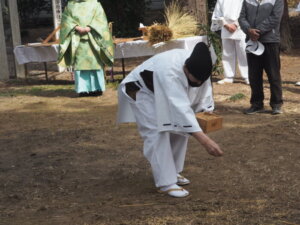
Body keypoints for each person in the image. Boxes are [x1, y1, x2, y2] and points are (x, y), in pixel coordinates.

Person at [117, 43, 223, 198]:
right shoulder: (170, 71)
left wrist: (205, 109)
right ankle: (165, 183)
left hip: (163, 92)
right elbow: (179, 108)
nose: (198, 84)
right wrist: (205, 141)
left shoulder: (200, 65)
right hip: (142, 91)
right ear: (185, 69)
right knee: (156, 133)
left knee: (180, 130)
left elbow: (203, 90)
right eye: (195, 81)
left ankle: (173, 171)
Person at [58, 0, 114, 97]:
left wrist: (90, 27)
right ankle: (82, 89)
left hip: (93, 40)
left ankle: (97, 88)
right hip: (78, 40)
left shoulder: (95, 4)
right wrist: (76, 27)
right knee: (80, 65)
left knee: (95, 64)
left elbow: (100, 19)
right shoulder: (71, 5)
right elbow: (66, 19)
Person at [239, 0, 284, 114]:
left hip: (270, 41)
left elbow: (275, 17)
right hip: (252, 42)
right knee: (254, 75)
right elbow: (241, 18)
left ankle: (276, 104)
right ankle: (257, 104)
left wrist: (257, 31)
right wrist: (249, 30)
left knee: (273, 75)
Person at [211, 0, 249, 85]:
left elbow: (245, 11)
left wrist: (236, 24)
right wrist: (225, 25)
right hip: (225, 28)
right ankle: (229, 76)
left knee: (243, 52)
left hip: (240, 28)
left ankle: (248, 76)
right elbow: (217, 13)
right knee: (227, 53)